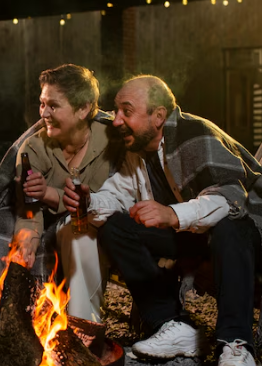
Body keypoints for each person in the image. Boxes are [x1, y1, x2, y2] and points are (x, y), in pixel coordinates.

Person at [63, 75, 262, 366]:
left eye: (126, 111)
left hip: (246, 233)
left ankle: (234, 344)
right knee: (115, 227)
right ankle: (171, 324)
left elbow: (231, 200)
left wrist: (171, 214)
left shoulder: (195, 134)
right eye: (117, 111)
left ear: (158, 117)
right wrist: (88, 201)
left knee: (230, 226)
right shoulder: (138, 151)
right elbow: (117, 194)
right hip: (193, 237)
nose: (117, 121)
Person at [0, 63, 123, 322]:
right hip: (60, 225)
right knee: (71, 231)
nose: (44, 113)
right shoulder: (33, 147)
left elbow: (104, 197)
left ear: (83, 108)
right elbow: (29, 210)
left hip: (105, 221)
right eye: (42, 104)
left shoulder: (112, 141)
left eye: (53, 105)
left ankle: (85, 324)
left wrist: (50, 193)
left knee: (80, 230)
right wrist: (27, 242)